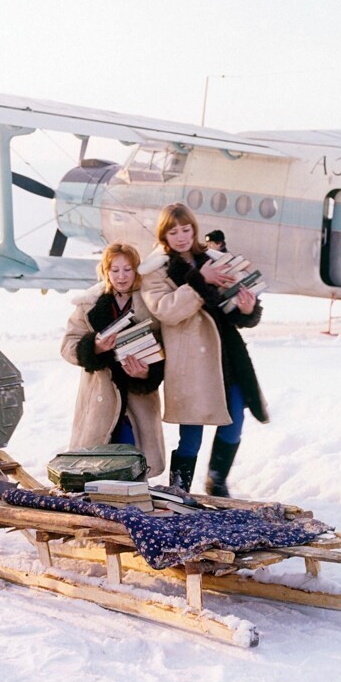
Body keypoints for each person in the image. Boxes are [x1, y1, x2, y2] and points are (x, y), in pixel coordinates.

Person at [139, 204, 268, 495]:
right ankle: (178, 491)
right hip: (190, 362)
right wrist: (200, 281)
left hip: (226, 356)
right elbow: (165, 311)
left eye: (186, 229)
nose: (181, 237)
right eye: (173, 231)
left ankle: (216, 481)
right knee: (191, 436)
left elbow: (229, 307)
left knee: (234, 421)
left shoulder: (213, 259)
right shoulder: (156, 271)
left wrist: (247, 309)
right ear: (164, 234)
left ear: (195, 230)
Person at [61, 243, 166, 478]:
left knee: (134, 463)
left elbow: (163, 350)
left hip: (137, 397)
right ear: (106, 271)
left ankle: (132, 508)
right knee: (99, 466)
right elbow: (67, 346)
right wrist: (94, 346)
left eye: (127, 270)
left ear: (136, 270)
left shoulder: (150, 303)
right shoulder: (89, 303)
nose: (121, 276)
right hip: (101, 396)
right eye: (115, 270)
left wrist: (147, 373)